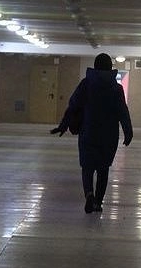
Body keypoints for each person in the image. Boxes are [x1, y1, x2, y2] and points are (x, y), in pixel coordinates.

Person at [50, 53, 133, 213]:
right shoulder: (116, 88)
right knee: (103, 169)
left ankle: (89, 194)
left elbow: (73, 106)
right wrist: (128, 131)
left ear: (95, 67)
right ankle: (98, 203)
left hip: (88, 132)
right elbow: (123, 111)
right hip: (109, 136)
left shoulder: (86, 84)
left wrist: (63, 125)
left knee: (87, 167)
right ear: (110, 68)